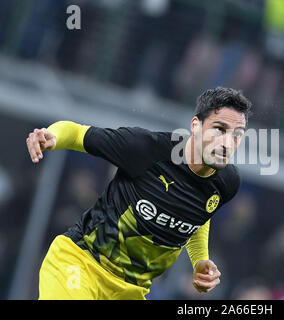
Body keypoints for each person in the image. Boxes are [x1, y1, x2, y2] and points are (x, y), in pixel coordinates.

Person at [25, 87, 252, 300]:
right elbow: (77, 134)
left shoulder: (227, 183)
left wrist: (200, 260)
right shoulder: (146, 149)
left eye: (237, 135)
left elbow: (200, 214)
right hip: (82, 265)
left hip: (131, 291)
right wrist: (51, 136)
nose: (227, 142)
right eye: (219, 129)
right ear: (195, 125)